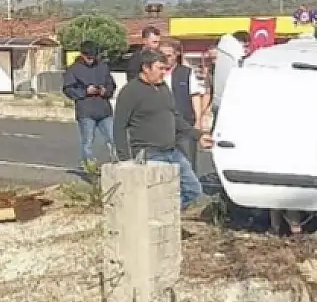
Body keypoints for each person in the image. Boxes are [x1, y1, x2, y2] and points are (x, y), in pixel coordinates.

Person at [113, 49, 211, 211]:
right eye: (160, 68)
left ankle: (163, 213)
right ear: (146, 68)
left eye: (165, 69)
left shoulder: (164, 88)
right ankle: (155, 218)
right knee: (156, 194)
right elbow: (119, 126)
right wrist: (125, 160)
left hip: (172, 151)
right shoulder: (130, 91)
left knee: (193, 190)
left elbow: (176, 117)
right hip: (149, 153)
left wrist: (198, 135)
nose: (164, 73)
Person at [62, 40, 117, 174]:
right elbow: (68, 89)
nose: (91, 59)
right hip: (86, 111)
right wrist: (85, 92)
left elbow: (112, 85)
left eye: (93, 56)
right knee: (88, 141)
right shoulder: (73, 69)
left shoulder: (103, 67)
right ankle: (90, 166)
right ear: (82, 54)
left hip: (104, 109)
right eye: (88, 56)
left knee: (113, 137)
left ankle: (118, 162)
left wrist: (106, 91)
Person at [160, 39, 207, 169]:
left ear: (176, 55)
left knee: (188, 162)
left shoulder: (186, 73)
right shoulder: (157, 74)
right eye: (162, 56)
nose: (165, 59)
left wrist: (198, 121)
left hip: (185, 124)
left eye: (168, 55)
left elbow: (195, 96)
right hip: (162, 126)